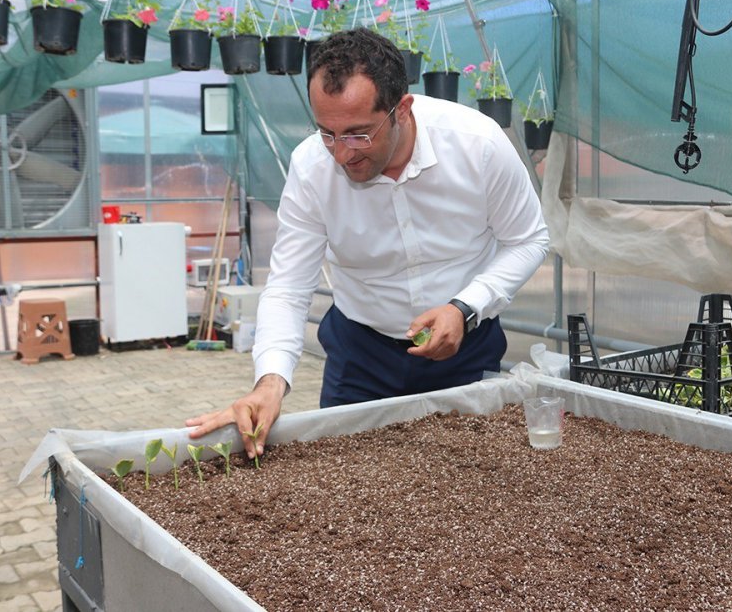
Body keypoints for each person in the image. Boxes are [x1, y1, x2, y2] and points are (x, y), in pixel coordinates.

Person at [187, 27, 549, 460]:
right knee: (351, 477)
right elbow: (288, 286)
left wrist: (466, 306)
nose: (341, 154)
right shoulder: (311, 167)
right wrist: (270, 382)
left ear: (402, 109)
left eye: (359, 134)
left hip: (464, 351)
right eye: (327, 133)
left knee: (467, 482)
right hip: (362, 355)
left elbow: (528, 239)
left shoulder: (479, 145)